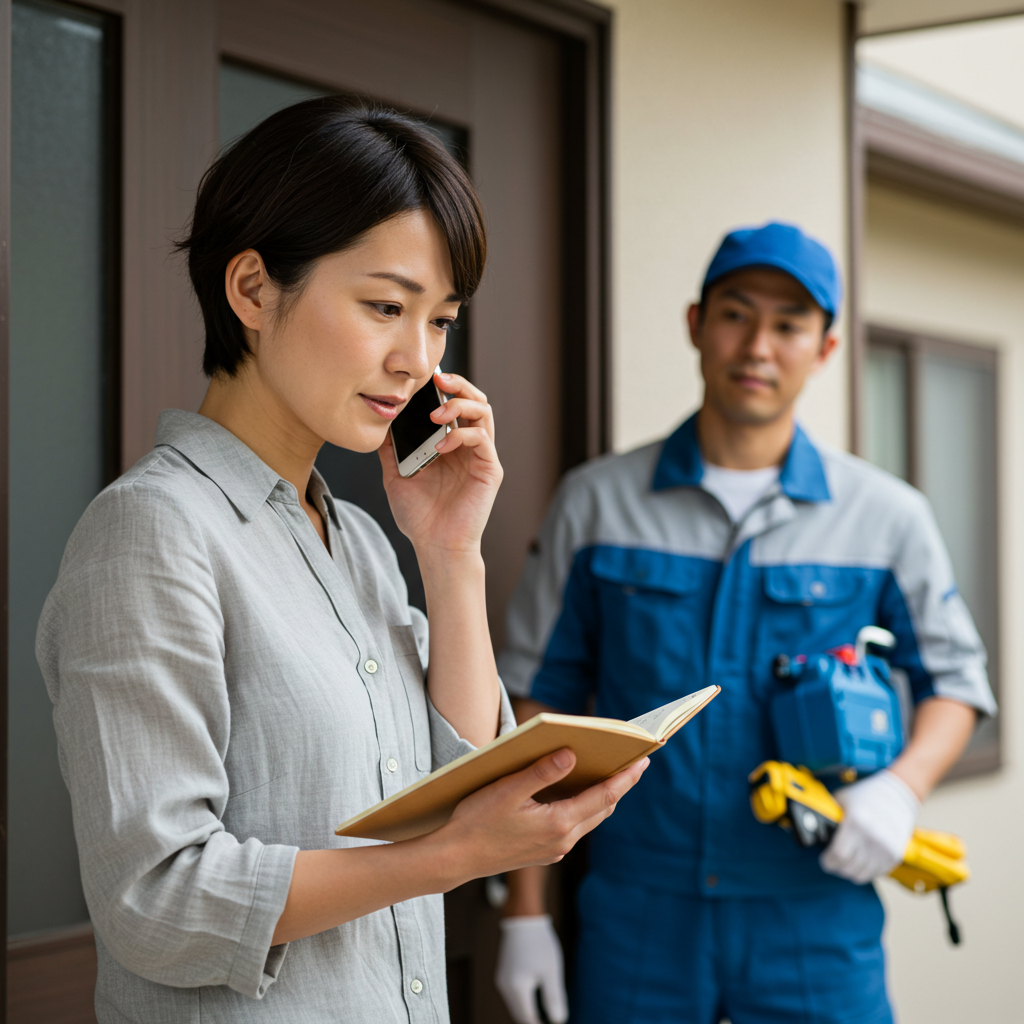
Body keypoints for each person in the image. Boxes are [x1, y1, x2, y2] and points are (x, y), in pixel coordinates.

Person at [36, 100, 647, 1024]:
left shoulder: (358, 539)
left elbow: (461, 777)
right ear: (250, 289)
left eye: (440, 321)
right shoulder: (153, 532)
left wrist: (451, 553)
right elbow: (154, 901)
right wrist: (451, 860)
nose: (417, 360)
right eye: (385, 307)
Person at [495, 222, 996, 1024]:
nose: (758, 344)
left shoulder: (887, 517)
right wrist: (525, 909)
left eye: (791, 324)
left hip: (815, 911)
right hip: (635, 914)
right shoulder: (595, 504)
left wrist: (900, 791)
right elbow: (529, 705)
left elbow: (958, 685)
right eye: (736, 313)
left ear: (825, 349)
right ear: (697, 324)